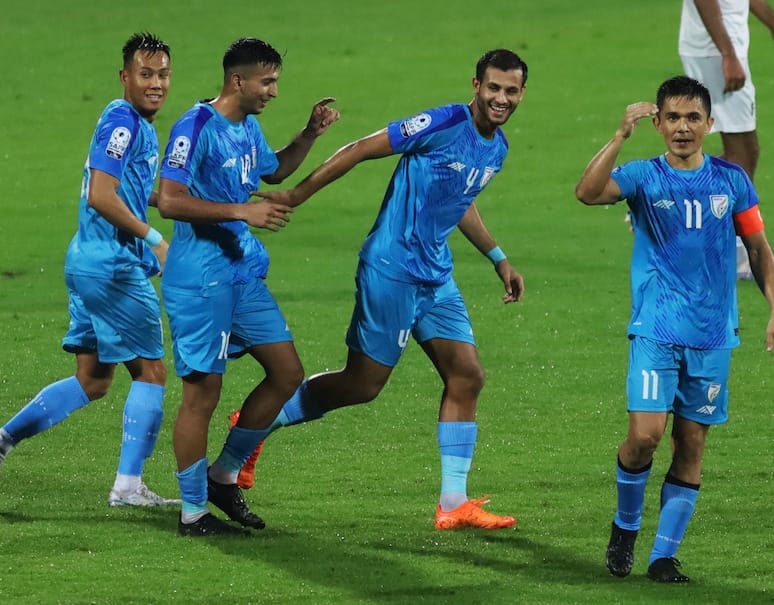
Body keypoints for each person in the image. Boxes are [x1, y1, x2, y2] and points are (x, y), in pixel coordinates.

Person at [230, 48, 528, 530]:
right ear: (475, 85)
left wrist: (498, 257)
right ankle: (258, 420)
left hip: (435, 274)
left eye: (510, 91)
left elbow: (460, 200)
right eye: (493, 87)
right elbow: (362, 147)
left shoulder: (497, 148)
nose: (500, 98)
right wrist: (297, 194)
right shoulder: (443, 122)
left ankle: (453, 503)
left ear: (521, 94)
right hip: (391, 269)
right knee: (362, 385)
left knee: (467, 374)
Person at [575, 76, 774, 582]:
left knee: (692, 443)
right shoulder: (644, 175)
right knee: (645, 436)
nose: (683, 128)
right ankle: (625, 526)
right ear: (658, 123)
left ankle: (663, 556)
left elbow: (758, 250)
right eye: (673, 118)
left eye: (693, 118)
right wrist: (619, 135)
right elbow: (588, 192)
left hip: (712, 336)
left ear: (710, 124)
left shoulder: (732, 182)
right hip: (656, 328)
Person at [0, 32, 179, 510]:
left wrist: (194, 205)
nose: (156, 83)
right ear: (126, 77)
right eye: (146, 74)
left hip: (86, 263)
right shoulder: (124, 124)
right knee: (151, 372)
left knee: (93, 379)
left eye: (163, 74)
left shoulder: (132, 125)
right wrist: (156, 240)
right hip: (113, 267)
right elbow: (101, 196)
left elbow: (128, 189)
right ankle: (128, 486)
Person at [157, 37, 339, 537]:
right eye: (268, 81)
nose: (274, 91)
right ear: (238, 80)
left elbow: (273, 169)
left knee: (286, 373)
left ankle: (223, 475)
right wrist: (243, 210)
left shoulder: (249, 127)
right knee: (202, 396)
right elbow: (168, 200)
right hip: (201, 280)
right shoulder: (194, 127)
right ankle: (193, 513)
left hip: (242, 276)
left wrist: (308, 134)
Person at [679, 0, 774, 278]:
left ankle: (661, 199)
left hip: (718, 48)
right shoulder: (722, 51)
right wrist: (727, 54)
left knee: (743, 152)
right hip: (715, 51)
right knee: (743, 152)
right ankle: (733, 249)